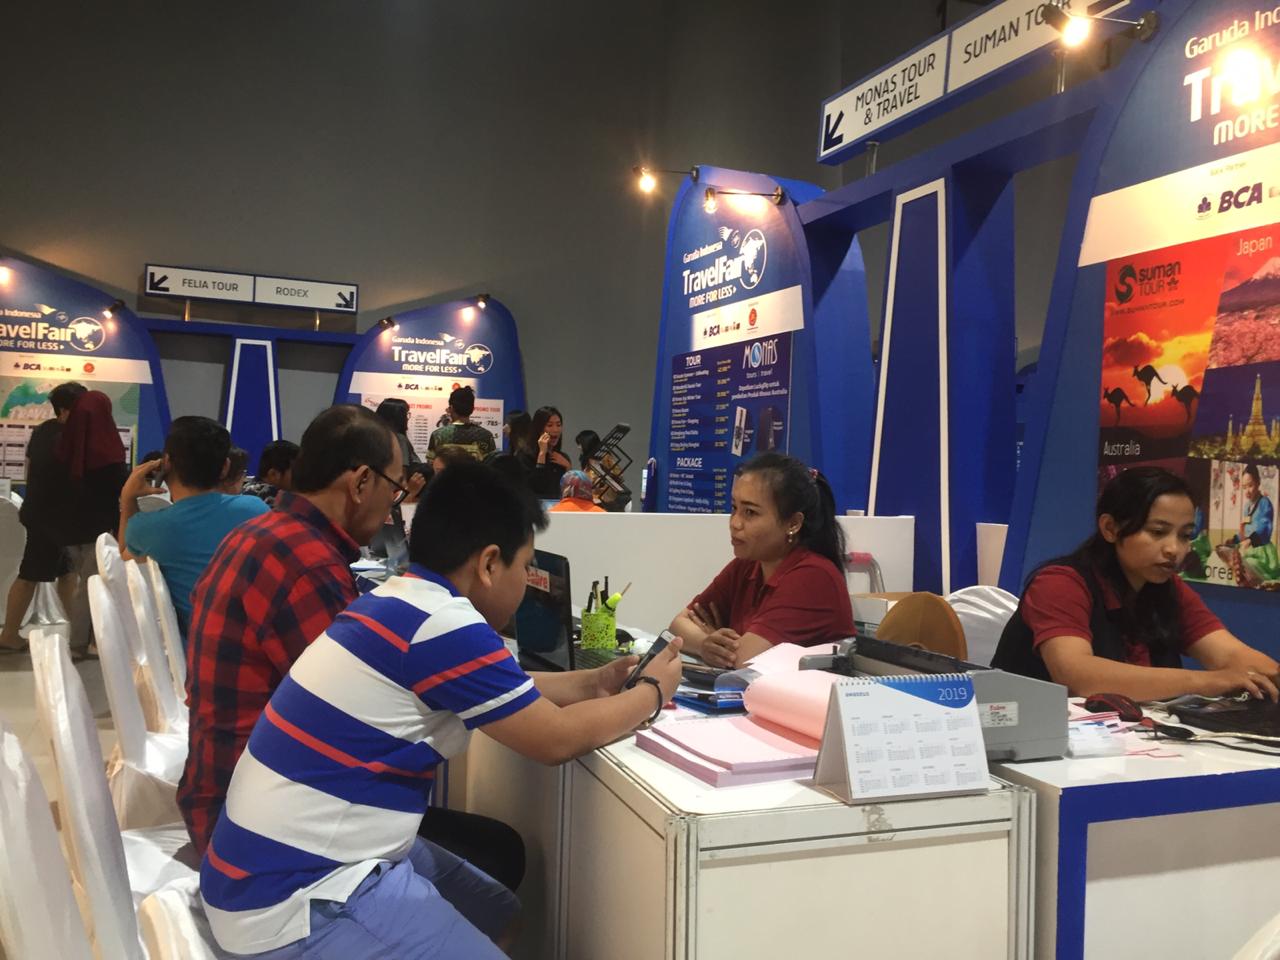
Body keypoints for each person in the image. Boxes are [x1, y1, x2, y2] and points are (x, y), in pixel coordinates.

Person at [198, 461, 683, 958]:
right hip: (298, 901)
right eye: (525, 567)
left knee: (498, 915)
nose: (525, 583)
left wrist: (595, 682)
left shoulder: (402, 600)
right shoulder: (445, 625)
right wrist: (651, 693)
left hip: (255, 872)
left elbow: (496, 688)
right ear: (490, 563)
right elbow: (554, 738)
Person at [179, 404, 407, 854]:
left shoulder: (262, 533)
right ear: (362, 482)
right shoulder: (307, 564)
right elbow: (362, 716)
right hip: (261, 833)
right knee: (492, 862)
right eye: (394, 490)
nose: (390, 511)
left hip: (227, 795)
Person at [991, 467, 1280, 701]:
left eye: (1184, 535)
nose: (1174, 549)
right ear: (1110, 528)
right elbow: (1077, 675)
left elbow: (1231, 654)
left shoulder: (1169, 589)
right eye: (1158, 532)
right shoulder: (1060, 583)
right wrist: (1204, 682)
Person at [668, 453, 855, 668]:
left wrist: (718, 644)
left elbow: (743, 660)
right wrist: (706, 643)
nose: (735, 523)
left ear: (793, 523)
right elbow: (678, 625)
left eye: (750, 512)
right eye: (734, 508)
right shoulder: (748, 564)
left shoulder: (813, 576)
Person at [118, 418, 270, 638]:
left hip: (199, 649)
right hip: (260, 644)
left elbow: (124, 557)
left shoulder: (150, 528)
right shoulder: (256, 510)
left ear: (166, 463)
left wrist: (128, 499)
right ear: (225, 467)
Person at [0, 382, 85, 654]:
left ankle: (73, 634)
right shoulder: (67, 437)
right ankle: (10, 635)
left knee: (68, 573)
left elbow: (30, 470)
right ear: (65, 409)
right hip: (52, 519)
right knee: (30, 575)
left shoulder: (43, 431)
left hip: (44, 514)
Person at [55, 390, 130, 658]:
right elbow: (124, 490)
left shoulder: (65, 443)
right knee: (91, 586)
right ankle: (79, 643)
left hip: (69, 527)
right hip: (98, 530)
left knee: (80, 585)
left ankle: (81, 639)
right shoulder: (109, 451)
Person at [427, 386, 496, 460]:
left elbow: (431, 464)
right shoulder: (486, 436)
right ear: (472, 409)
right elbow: (492, 465)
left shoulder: (438, 435)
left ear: (451, 408)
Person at [1236, 464, 1276, 584]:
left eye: (1250, 485)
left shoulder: (1265, 503)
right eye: (1244, 487)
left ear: (1258, 483)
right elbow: (1245, 530)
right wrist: (1234, 539)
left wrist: (1250, 541)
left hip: (1263, 553)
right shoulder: (1247, 507)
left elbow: (1265, 528)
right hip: (1249, 550)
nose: (1247, 491)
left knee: (1249, 566)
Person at [530, 405, 571, 499]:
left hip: (559, 510)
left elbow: (569, 492)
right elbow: (535, 487)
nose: (555, 430)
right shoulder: (525, 455)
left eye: (558, 424)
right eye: (549, 425)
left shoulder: (562, 457)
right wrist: (542, 454)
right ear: (538, 428)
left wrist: (568, 467)